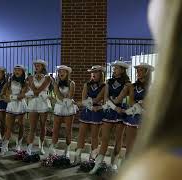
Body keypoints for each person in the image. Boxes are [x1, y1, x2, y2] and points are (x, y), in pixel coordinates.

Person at [117, 1, 182, 179]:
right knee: (130, 142)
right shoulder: (132, 86)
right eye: (136, 70)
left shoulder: (155, 88)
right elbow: (130, 101)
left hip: (144, 118)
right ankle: (127, 159)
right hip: (134, 116)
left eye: (140, 70)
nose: (138, 72)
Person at [90, 61, 131, 174]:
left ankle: (114, 164)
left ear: (122, 70)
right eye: (113, 68)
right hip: (110, 111)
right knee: (104, 140)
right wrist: (113, 106)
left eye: (116, 68)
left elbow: (119, 99)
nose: (114, 70)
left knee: (118, 140)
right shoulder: (108, 82)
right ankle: (97, 164)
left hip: (119, 113)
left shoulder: (127, 84)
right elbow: (106, 98)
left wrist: (113, 105)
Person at [75, 65, 105, 162]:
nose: (93, 74)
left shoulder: (104, 86)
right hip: (87, 111)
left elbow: (97, 99)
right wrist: (86, 103)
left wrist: (86, 102)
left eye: (96, 72)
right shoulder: (86, 84)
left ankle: (92, 157)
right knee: (81, 134)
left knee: (94, 136)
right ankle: (77, 156)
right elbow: (84, 99)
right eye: (92, 72)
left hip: (97, 112)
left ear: (101, 74)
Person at [48, 65, 77, 158]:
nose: (61, 73)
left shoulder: (72, 83)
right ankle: (53, 147)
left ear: (67, 73)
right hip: (59, 108)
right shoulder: (56, 83)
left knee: (68, 130)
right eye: (59, 71)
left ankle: (67, 150)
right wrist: (56, 87)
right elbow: (58, 95)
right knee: (55, 128)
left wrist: (62, 97)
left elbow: (70, 96)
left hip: (68, 108)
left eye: (63, 71)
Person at [25, 59, 52, 155]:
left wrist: (35, 92)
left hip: (43, 103)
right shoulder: (31, 77)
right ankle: (29, 149)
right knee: (32, 127)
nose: (36, 67)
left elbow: (40, 89)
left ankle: (41, 147)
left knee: (42, 126)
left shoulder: (48, 78)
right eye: (35, 66)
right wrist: (35, 91)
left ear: (43, 67)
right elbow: (33, 88)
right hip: (33, 103)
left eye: (38, 65)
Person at [0, 65, 27, 156]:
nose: (17, 71)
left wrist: (11, 97)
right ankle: (5, 146)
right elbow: (2, 93)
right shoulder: (9, 80)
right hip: (11, 105)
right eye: (15, 70)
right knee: (9, 127)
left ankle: (18, 145)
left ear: (22, 72)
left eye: (19, 70)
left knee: (21, 126)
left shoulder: (25, 82)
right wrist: (4, 98)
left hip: (20, 106)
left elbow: (22, 96)